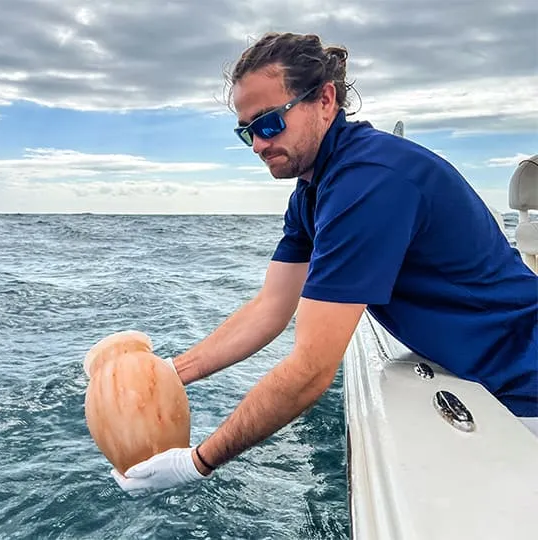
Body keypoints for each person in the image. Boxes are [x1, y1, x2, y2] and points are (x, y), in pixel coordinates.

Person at [110, 31, 538, 495]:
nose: (257, 143)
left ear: (325, 100)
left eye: (269, 122)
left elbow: (311, 369)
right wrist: (171, 374)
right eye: (246, 130)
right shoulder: (313, 191)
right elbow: (271, 307)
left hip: (521, 378)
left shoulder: (369, 183)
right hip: (484, 367)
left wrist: (198, 461)